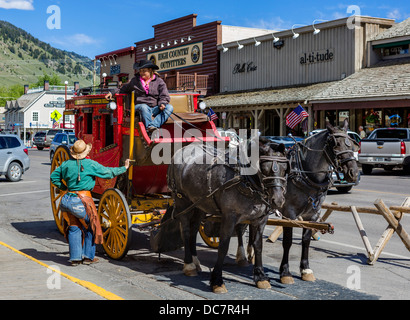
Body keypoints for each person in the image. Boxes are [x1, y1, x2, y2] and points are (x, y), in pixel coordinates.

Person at [50, 139, 130, 266]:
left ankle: (75, 258)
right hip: (83, 201)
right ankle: (88, 257)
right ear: (85, 152)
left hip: (68, 200)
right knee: (90, 227)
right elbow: (108, 173)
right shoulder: (90, 164)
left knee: (74, 228)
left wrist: (64, 187)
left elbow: (53, 176)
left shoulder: (66, 164)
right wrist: (124, 168)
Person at [105, 59, 173, 133]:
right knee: (144, 107)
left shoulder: (159, 81)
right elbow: (123, 88)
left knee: (169, 107)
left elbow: (164, 95)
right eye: (140, 70)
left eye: (144, 71)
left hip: (154, 108)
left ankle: (153, 126)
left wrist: (162, 103)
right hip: (138, 108)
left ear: (150, 70)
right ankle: (149, 133)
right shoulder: (135, 81)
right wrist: (112, 93)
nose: (141, 73)